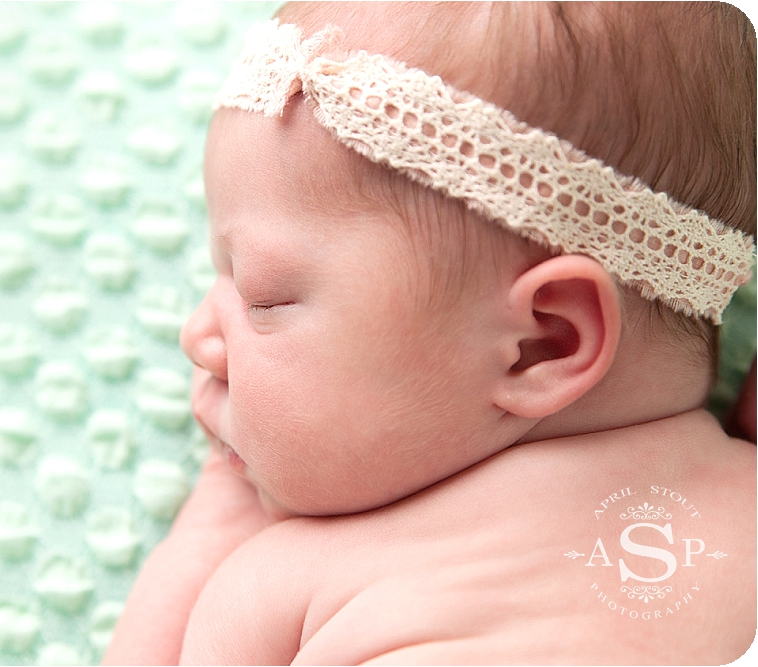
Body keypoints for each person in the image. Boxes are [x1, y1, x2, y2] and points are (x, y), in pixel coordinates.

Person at [103, 3, 757, 664]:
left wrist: (223, 504)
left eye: (262, 297)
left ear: (541, 342)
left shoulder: (300, 577)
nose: (198, 337)